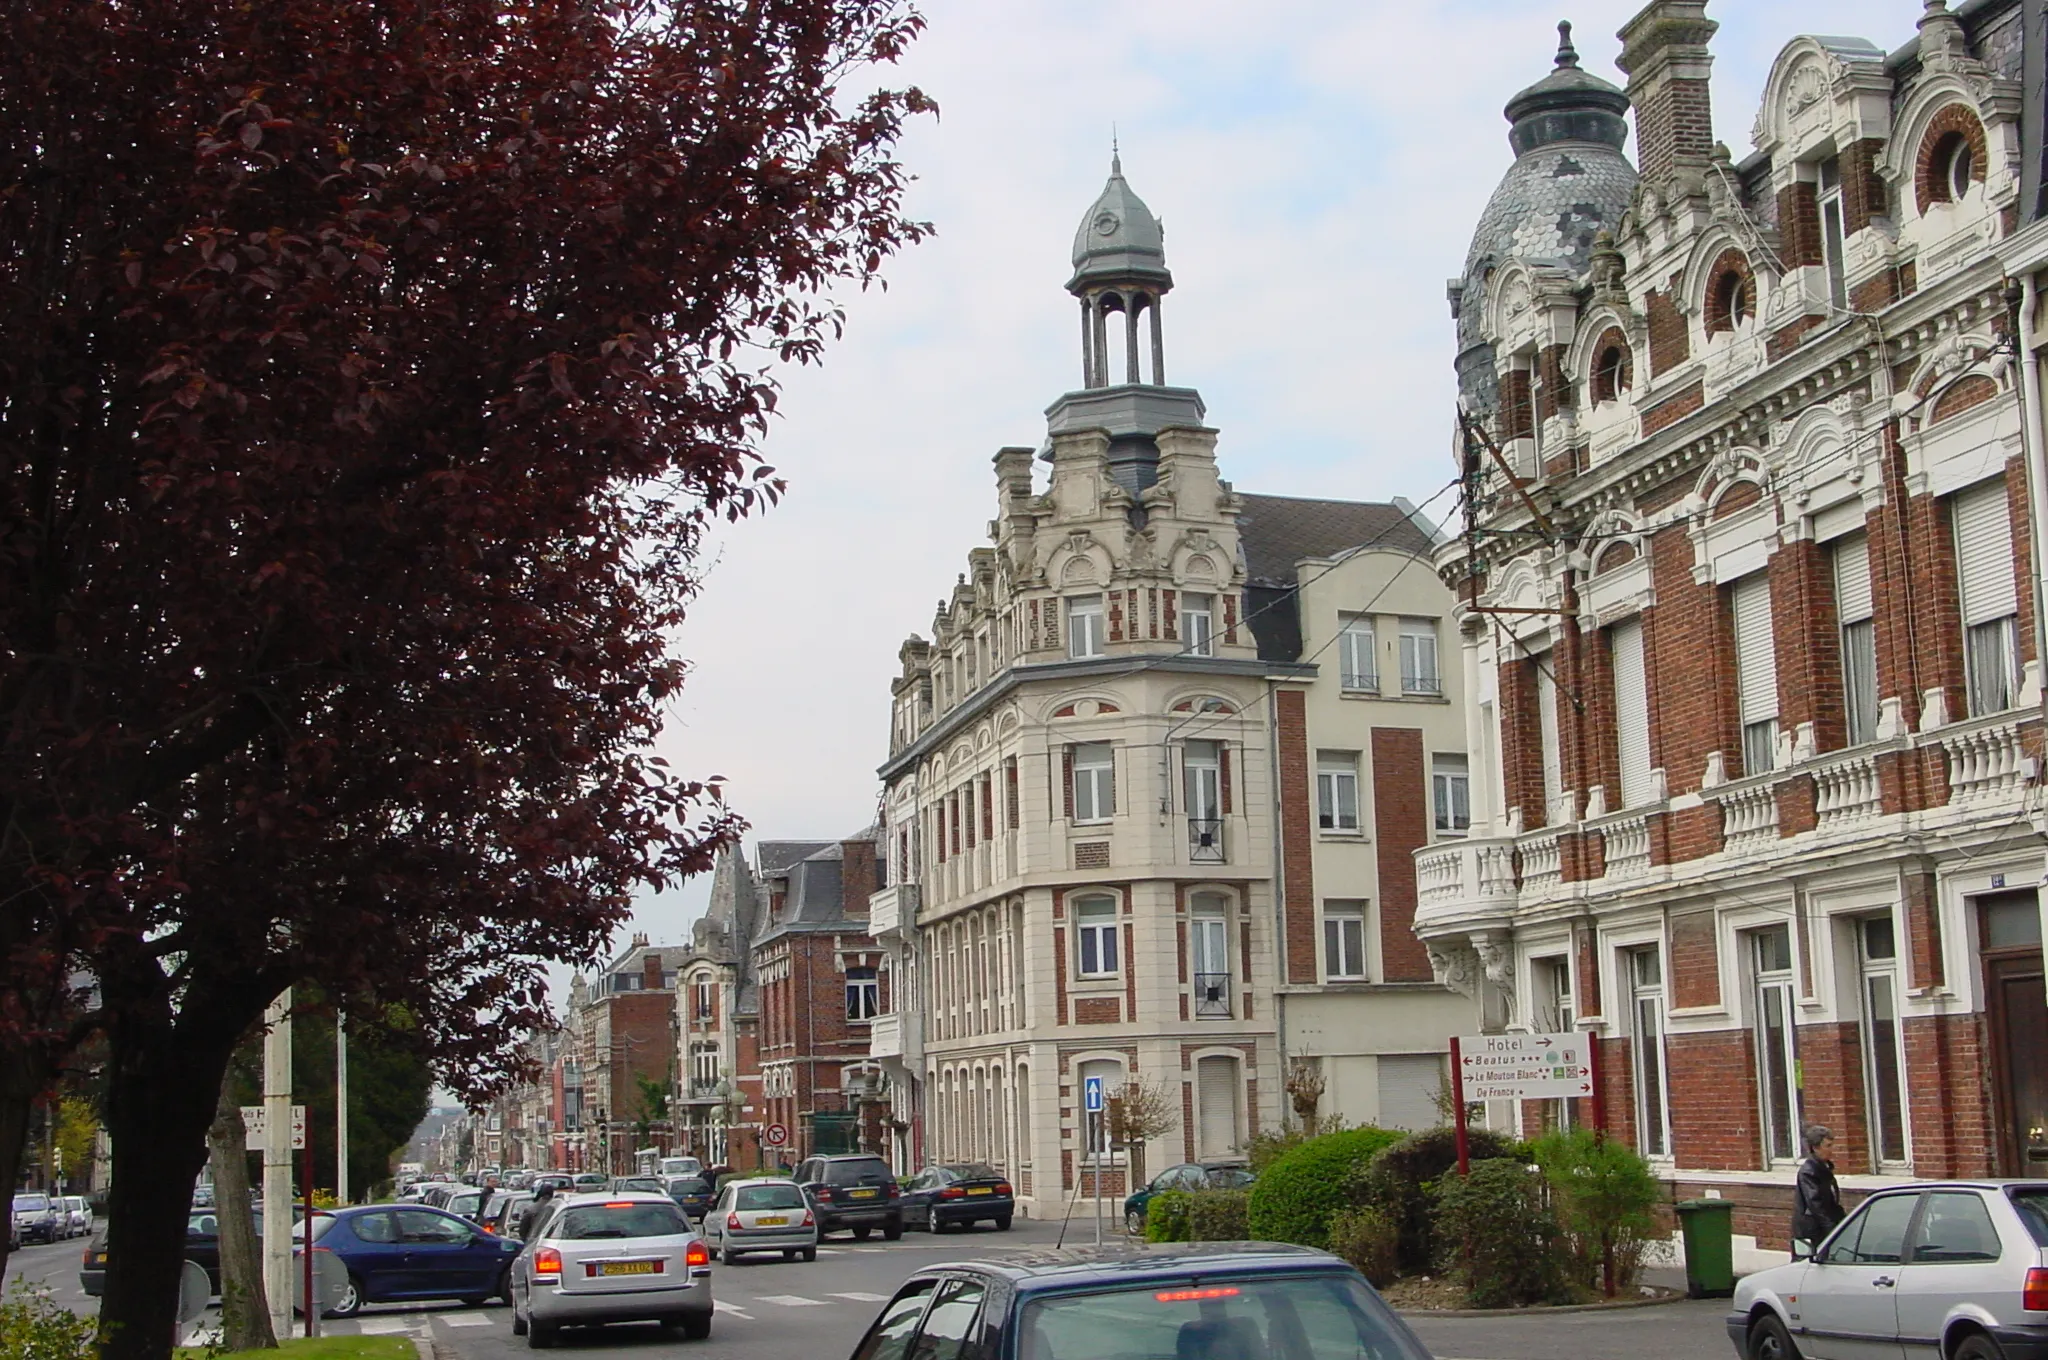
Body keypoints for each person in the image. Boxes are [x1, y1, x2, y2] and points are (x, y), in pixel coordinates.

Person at [1792, 1123, 1845, 1258]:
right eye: (1827, 1146)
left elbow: (1832, 1202)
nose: (1832, 1150)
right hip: (1813, 1231)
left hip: (1823, 1228)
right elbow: (1816, 1204)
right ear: (1815, 1148)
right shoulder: (1809, 1171)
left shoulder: (1824, 1168)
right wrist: (1831, 1229)